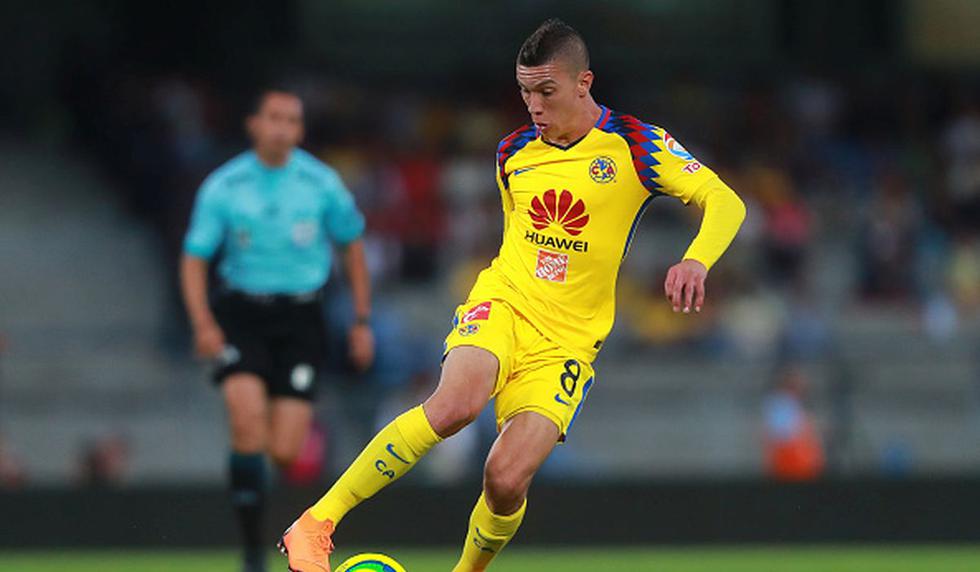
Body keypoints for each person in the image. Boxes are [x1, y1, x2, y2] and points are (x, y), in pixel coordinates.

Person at [279, 19, 745, 572]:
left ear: (583, 82)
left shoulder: (636, 144)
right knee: (454, 406)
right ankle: (315, 523)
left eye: (546, 91)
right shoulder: (513, 152)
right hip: (507, 302)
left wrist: (696, 257)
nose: (534, 106)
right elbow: (519, 241)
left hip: (569, 341)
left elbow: (724, 200)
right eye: (525, 92)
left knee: (504, 480)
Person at [180, 89, 374, 572]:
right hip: (242, 315)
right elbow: (194, 257)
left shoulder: (321, 183)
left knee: (286, 451)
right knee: (246, 424)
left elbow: (352, 246)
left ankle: (261, 484)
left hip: (302, 318)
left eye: (292, 120)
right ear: (254, 124)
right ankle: (251, 553)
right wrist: (203, 322)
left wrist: (361, 321)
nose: (282, 128)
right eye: (274, 118)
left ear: (300, 129)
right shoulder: (225, 186)